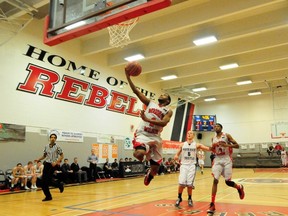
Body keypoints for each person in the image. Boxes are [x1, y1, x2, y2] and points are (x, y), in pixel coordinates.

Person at [125, 69, 173, 186]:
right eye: (161, 94)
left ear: (167, 101)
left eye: (164, 95)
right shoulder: (150, 103)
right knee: (138, 154)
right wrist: (128, 76)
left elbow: (163, 123)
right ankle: (146, 148)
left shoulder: (168, 110)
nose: (161, 95)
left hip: (155, 137)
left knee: (155, 169)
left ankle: (149, 175)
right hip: (143, 134)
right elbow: (136, 91)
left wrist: (147, 119)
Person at [207, 123, 244, 214]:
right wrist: (213, 147)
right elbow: (212, 149)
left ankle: (239, 187)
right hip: (218, 159)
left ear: (221, 128)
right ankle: (212, 204)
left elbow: (237, 145)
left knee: (228, 182)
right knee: (215, 180)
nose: (216, 127)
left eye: (218, 126)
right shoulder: (213, 138)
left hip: (227, 159)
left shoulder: (226, 135)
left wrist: (227, 145)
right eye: (215, 126)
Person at [174, 131, 211, 207]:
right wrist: (176, 156)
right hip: (184, 165)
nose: (189, 134)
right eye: (187, 133)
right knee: (181, 183)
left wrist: (214, 148)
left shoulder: (197, 145)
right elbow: (177, 154)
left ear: (193, 135)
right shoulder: (182, 144)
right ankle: (179, 197)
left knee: (189, 184)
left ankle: (190, 198)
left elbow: (207, 148)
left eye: (191, 133)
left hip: (192, 165)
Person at [34, 133, 64, 202]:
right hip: (46, 164)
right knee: (43, 182)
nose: (53, 138)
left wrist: (56, 162)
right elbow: (44, 156)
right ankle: (49, 195)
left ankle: (59, 185)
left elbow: (62, 156)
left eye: (54, 137)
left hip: (53, 164)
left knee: (47, 180)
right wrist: (38, 159)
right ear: (50, 138)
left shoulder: (58, 147)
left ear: (55, 139)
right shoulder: (46, 146)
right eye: (52, 137)